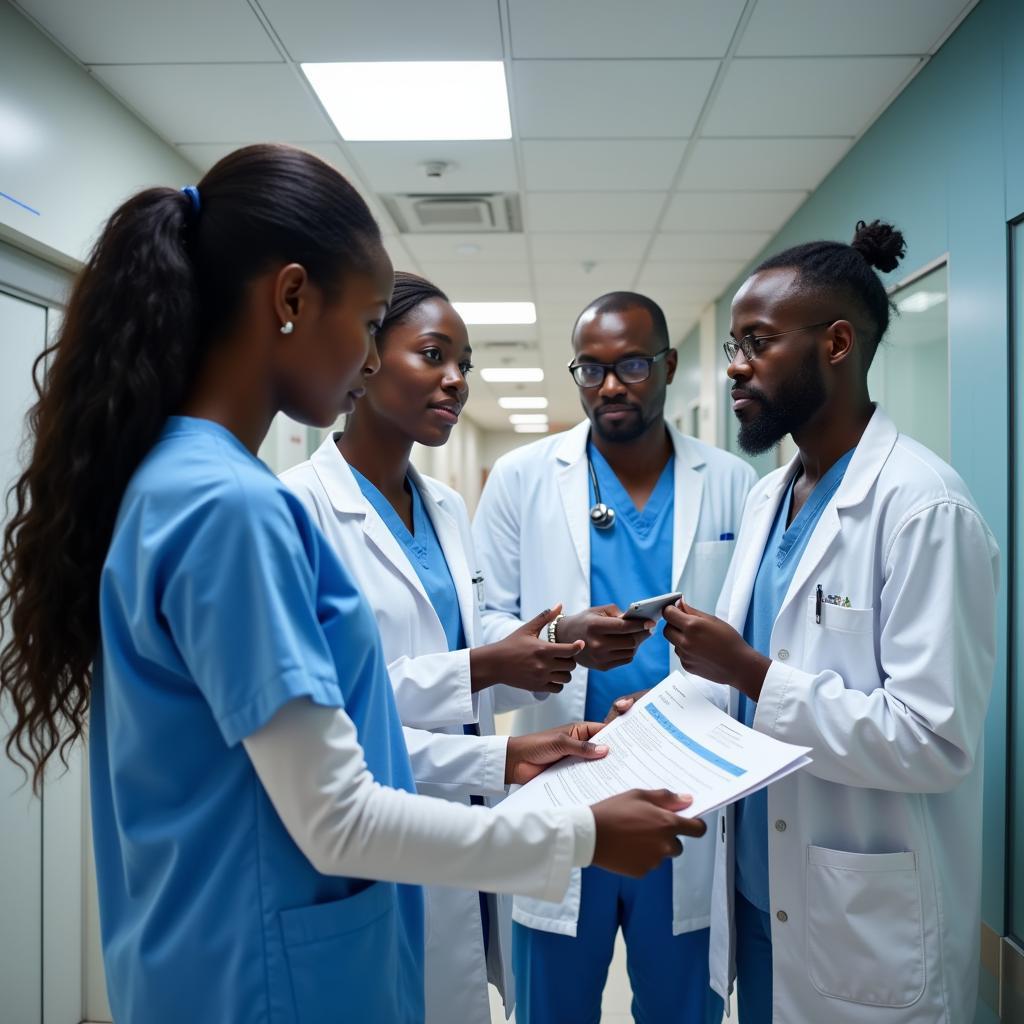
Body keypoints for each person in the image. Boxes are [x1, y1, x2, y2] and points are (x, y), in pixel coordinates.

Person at [0, 145, 708, 1024]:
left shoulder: (179, 479)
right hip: (270, 978)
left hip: (219, 956)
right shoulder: (234, 508)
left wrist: (502, 757)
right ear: (292, 299)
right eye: (372, 322)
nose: (370, 358)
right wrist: (584, 834)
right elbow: (336, 817)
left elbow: (309, 749)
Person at [659, 220, 998, 1022]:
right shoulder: (770, 494)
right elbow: (757, 690)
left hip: (862, 915)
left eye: (757, 343)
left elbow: (933, 739)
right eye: (735, 344)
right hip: (762, 891)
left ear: (837, 343)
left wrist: (745, 671)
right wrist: (668, 713)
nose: (735, 367)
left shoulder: (923, 506)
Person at [282, 271, 598, 1023]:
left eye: (465, 363)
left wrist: (555, 643)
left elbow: (468, 634)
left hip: (460, 821)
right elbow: (331, 703)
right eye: (433, 355)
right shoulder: (297, 508)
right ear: (364, 357)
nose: (456, 380)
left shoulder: (447, 506)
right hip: (369, 835)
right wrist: (488, 670)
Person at [473, 292, 755, 1024]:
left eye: (631, 364)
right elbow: (484, 622)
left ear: (667, 365)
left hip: (685, 789)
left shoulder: (732, 482)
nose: (610, 385)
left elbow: (754, 637)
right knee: (554, 1006)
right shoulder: (521, 477)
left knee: (680, 1004)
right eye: (590, 369)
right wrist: (564, 635)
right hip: (567, 782)